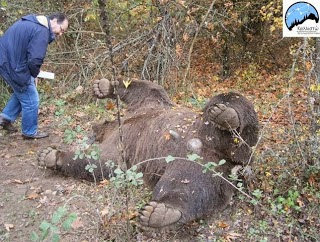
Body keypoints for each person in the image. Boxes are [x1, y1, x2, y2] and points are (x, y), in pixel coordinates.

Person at [0, 12, 68, 139]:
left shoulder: (32, 22)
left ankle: (5, 118)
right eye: (62, 29)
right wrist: (34, 74)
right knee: (31, 99)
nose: (61, 34)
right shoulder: (41, 30)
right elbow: (35, 59)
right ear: (54, 21)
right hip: (13, 65)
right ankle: (29, 132)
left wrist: (31, 75)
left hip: (7, 60)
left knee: (22, 91)